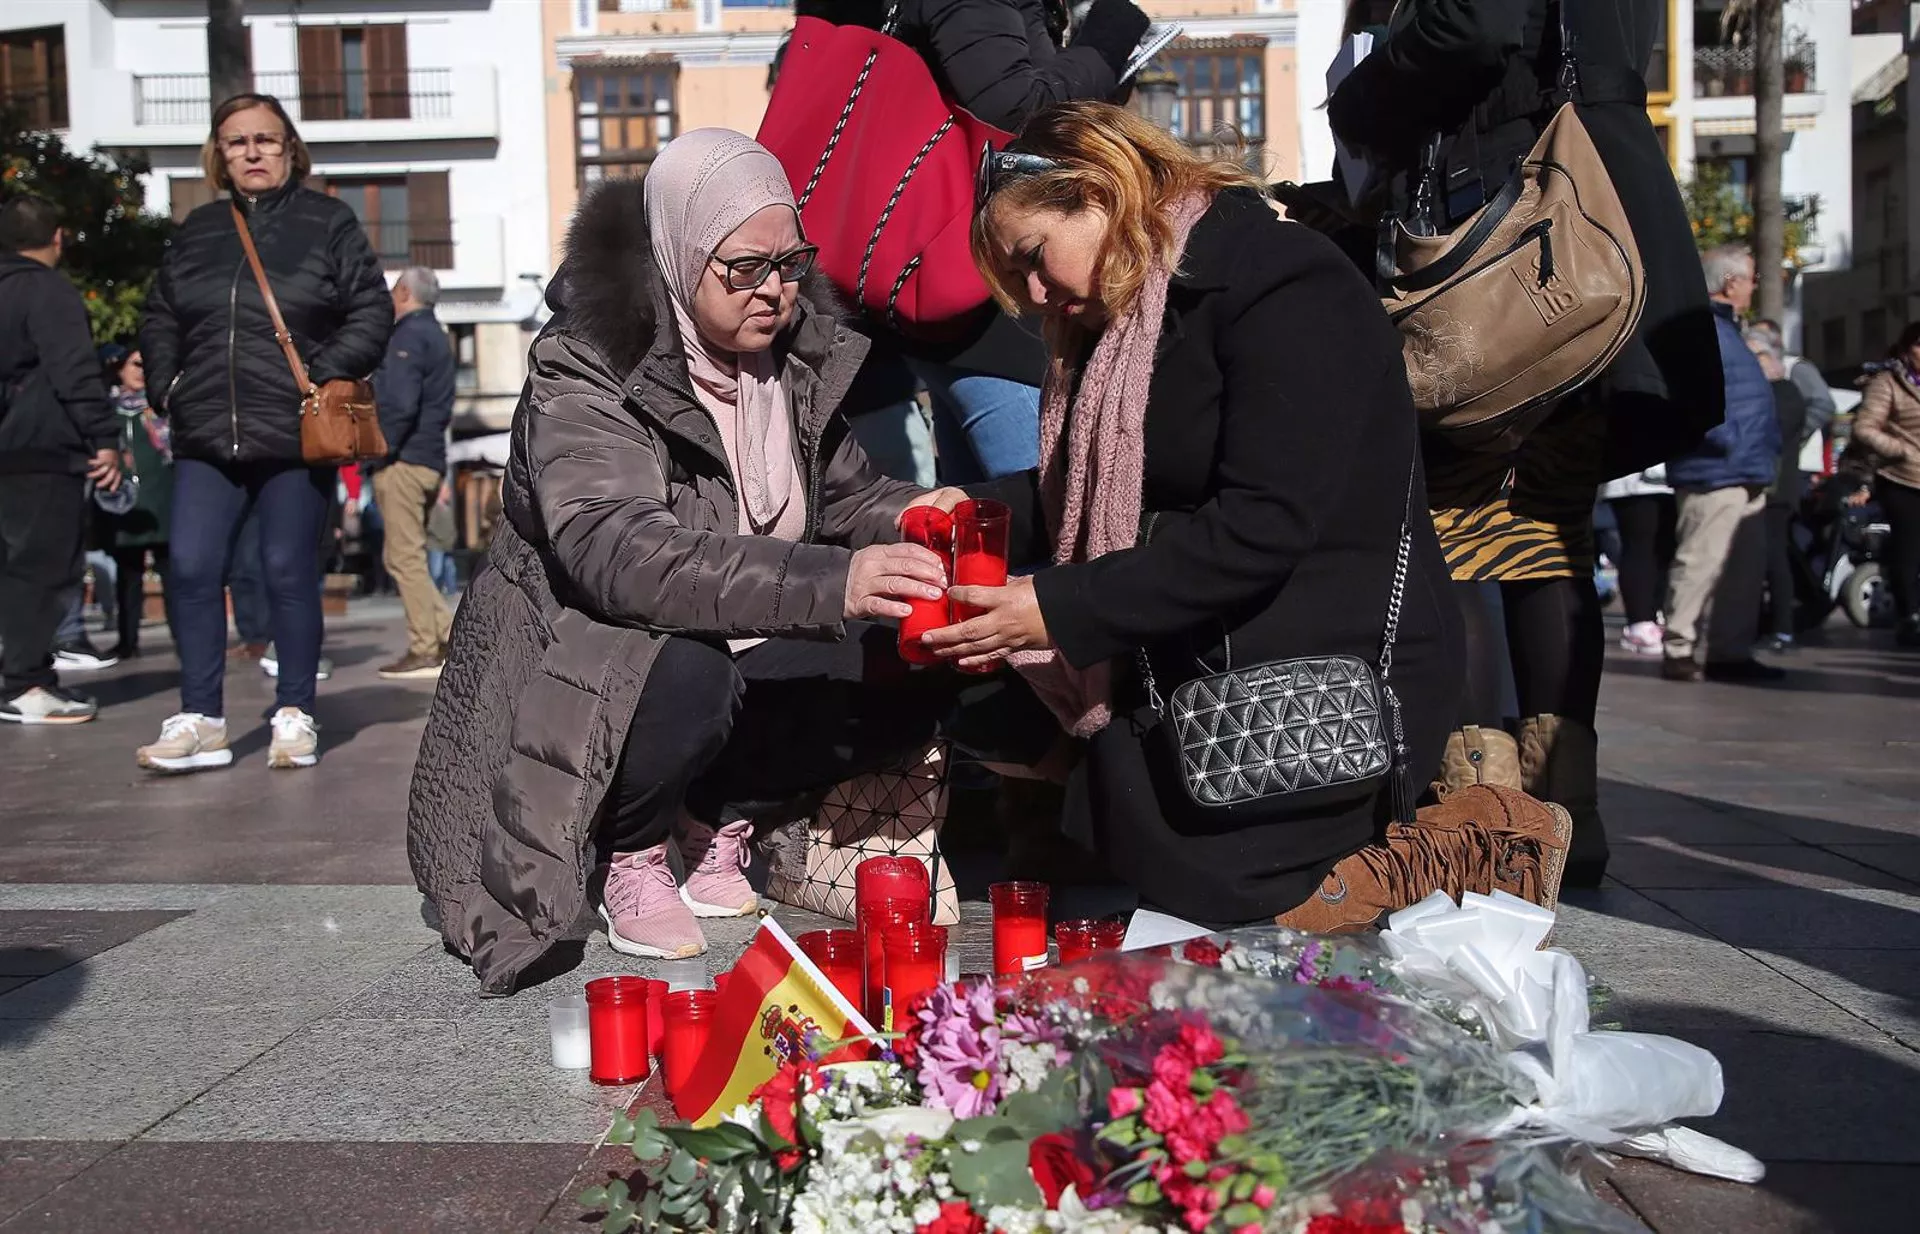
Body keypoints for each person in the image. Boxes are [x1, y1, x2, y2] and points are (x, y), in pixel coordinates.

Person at [406, 131, 1048, 994]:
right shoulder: (588, 366)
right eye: (744, 268)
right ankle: (632, 849)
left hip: (746, 625)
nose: (775, 290)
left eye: (791, 263)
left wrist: (917, 513)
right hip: (588, 651)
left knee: (916, 654)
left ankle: (714, 814)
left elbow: (846, 496)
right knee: (688, 672)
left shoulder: (793, 359)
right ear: (679, 254)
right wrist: (837, 582)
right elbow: (621, 555)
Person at [946, 101, 1568, 931]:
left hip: (1321, 657)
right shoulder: (1128, 316)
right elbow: (1088, 489)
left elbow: (1263, 525)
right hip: (1195, 636)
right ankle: (1129, 811)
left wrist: (1055, 608)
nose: (1034, 296)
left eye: (1033, 257)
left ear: (1098, 191)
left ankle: (1458, 843)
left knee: (1230, 898)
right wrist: (962, 511)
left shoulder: (1282, 282)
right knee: (960, 684)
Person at [1323, 0, 1724, 888]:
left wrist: (1362, 91)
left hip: (1503, 233)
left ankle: (1488, 819)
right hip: (1589, 237)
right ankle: (1567, 808)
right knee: (1549, 532)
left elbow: (1471, 26)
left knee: (1463, 533)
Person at [789, 0, 1153, 484]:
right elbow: (1019, 111)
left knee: (983, 513)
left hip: (951, 292)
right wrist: (1108, 39)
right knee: (1049, 504)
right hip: (988, 301)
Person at [137, 92, 392, 772]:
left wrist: (321, 374)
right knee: (191, 568)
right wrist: (166, 385)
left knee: (287, 570)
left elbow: (371, 310)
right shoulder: (198, 230)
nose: (252, 152)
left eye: (265, 140)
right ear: (218, 155)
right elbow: (160, 314)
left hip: (293, 430)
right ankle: (201, 719)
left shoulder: (328, 221)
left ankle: (295, 711)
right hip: (205, 430)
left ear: (289, 149)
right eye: (236, 141)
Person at [0, 194, 122, 725]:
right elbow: (73, 371)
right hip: (41, 449)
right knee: (42, 569)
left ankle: (19, 673)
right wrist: (103, 437)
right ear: (57, 238)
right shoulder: (47, 291)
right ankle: (25, 683)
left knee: (11, 569)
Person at [1660, 246, 1782, 684]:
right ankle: (1679, 646)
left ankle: (1730, 652)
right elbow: (1690, 397)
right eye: (1751, 278)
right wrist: (1724, 440)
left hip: (1743, 468)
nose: (1754, 287)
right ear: (1730, 283)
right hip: (1716, 469)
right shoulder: (1702, 328)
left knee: (1741, 571)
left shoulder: (1727, 328)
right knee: (1701, 561)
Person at [368, 266, 456, 680]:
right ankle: (448, 634)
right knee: (404, 556)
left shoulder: (408, 337)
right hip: (427, 456)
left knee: (405, 557)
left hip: (405, 459)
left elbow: (400, 403)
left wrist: (380, 448)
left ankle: (425, 647)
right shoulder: (436, 335)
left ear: (404, 292)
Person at [95, 345, 178, 658]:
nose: (141, 371)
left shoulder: (161, 409)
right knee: (128, 577)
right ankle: (127, 641)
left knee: (172, 574)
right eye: (135, 364)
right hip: (126, 506)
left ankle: (183, 639)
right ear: (120, 369)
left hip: (162, 501)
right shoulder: (108, 412)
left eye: (146, 365)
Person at [1851, 321, 1920, 648]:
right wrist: (1900, 449)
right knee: (1909, 552)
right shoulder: (1888, 382)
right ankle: (1909, 616)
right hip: (1904, 479)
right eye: (1918, 345)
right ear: (1906, 349)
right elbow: (1864, 427)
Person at [1745, 327, 1812, 653]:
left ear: (1772, 362)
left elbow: (1771, 430)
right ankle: (1761, 623)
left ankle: (1782, 626)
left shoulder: (1785, 393)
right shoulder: (1766, 393)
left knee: (1774, 557)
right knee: (1759, 558)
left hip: (1776, 490)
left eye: (1757, 357)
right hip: (1761, 485)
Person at [1600, 465, 1674, 656]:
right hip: (1635, 481)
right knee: (1640, 545)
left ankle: (1655, 616)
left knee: (1664, 551)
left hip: (1671, 480)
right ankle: (1640, 623)